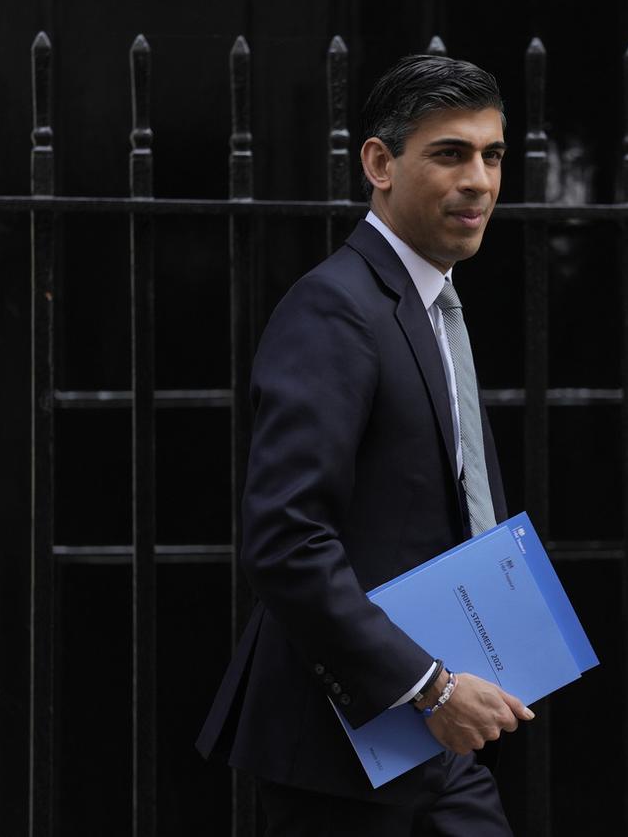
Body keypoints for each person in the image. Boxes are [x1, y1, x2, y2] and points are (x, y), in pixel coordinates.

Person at [195, 54, 532, 836]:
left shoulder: (430, 303)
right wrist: (431, 689)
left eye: (492, 156)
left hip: (434, 742)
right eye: (450, 153)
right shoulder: (336, 309)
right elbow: (286, 539)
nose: (480, 180)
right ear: (380, 164)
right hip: (340, 752)